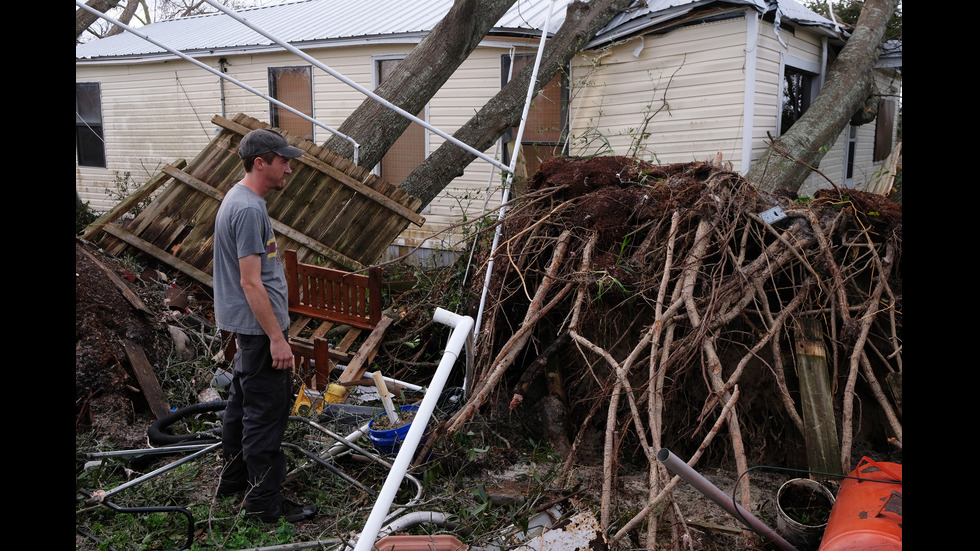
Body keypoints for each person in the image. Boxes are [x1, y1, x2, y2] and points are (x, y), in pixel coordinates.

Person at [212, 128, 317, 523]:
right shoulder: (248, 209)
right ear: (261, 163)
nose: (289, 168)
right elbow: (250, 281)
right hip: (260, 332)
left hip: (249, 329)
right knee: (265, 418)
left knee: (241, 408)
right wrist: (277, 338)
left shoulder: (240, 199)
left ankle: (235, 483)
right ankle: (263, 507)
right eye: (283, 161)